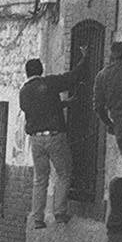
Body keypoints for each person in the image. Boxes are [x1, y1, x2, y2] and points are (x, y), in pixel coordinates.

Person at [19, 48, 87, 228]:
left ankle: (38, 218)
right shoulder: (48, 83)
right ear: (40, 70)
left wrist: (63, 104)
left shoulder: (24, 92)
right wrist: (84, 59)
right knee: (63, 173)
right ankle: (59, 212)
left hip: (36, 140)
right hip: (54, 137)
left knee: (40, 179)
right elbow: (71, 78)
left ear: (27, 72)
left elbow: (41, 108)